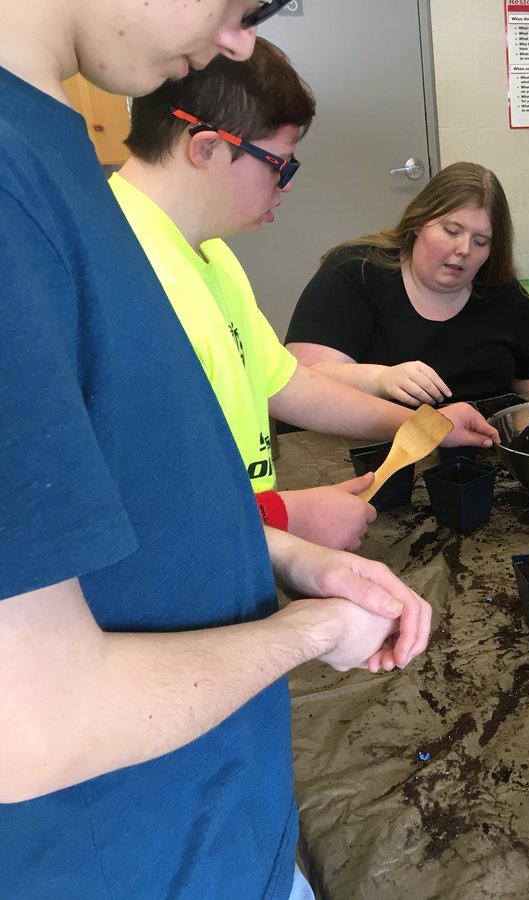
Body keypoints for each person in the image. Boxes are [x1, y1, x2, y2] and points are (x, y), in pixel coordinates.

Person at [0, 2, 432, 897]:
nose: (237, 37)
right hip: (128, 857)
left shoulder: (61, 161)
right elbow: (35, 723)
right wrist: (310, 629)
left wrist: (282, 553)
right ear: (207, 146)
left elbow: (141, 500)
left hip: (219, 817)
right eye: (238, 6)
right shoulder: (21, 196)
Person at [112, 38, 500, 551]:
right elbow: (140, 506)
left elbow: (285, 384)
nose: (286, 184)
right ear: (206, 148)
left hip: (237, 541)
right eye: (280, 164)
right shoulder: (123, 276)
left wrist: (427, 426)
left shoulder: (210, 253)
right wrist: (284, 517)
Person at [285, 161, 529, 406]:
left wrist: (514, 431)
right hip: (372, 442)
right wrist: (380, 379)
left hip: (481, 443)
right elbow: (302, 377)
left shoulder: (502, 294)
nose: (464, 249)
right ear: (419, 221)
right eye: (452, 231)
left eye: (481, 242)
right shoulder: (356, 271)